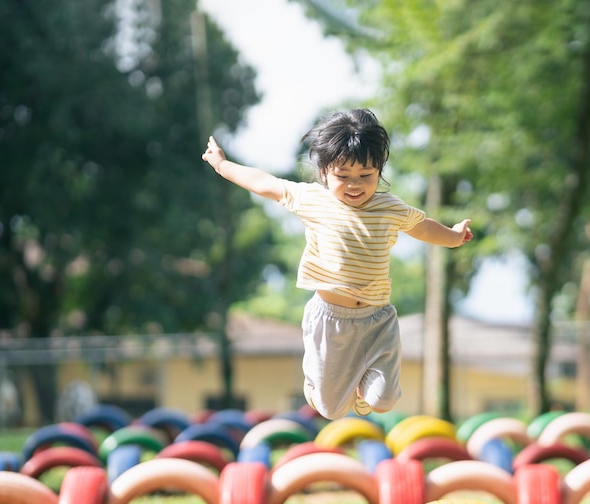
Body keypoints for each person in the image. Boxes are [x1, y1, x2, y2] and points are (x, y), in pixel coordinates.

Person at [202, 108, 473, 420]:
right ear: (324, 174)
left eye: (365, 176)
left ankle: (363, 393)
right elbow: (264, 182)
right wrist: (222, 165)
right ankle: (313, 384)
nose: (355, 185)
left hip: (377, 318)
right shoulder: (312, 200)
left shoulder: (389, 207)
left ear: (379, 170)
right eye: (343, 177)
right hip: (330, 320)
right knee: (330, 409)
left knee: (383, 401)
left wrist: (452, 237)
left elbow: (422, 226)